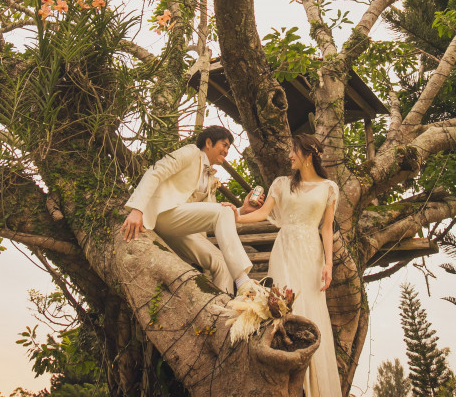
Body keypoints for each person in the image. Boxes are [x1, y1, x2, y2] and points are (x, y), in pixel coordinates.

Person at [237, 134, 342, 397]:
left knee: (312, 309)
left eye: (294, 151)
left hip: (312, 253)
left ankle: (315, 387)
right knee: (282, 308)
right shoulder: (282, 184)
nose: (289, 156)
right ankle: (286, 382)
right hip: (284, 249)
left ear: (309, 154)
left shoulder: (329, 187)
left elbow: (326, 228)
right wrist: (234, 216)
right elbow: (261, 214)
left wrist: (328, 263)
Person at [121, 125, 254, 295]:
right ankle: (243, 281)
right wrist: (137, 209)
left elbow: (213, 216)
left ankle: (222, 312)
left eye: (228, 147)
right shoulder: (191, 152)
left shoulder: (210, 177)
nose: (227, 151)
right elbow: (156, 172)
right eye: (224, 144)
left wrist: (242, 210)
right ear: (208, 142)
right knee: (222, 211)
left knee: (223, 263)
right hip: (164, 215)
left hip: (182, 229)